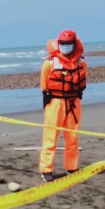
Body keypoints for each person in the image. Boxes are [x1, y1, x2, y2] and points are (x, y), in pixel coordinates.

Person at [39, 30, 87, 182]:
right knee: (50, 137)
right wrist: (47, 99)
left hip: (73, 103)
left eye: (68, 44)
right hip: (55, 103)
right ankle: (46, 169)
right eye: (63, 44)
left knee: (72, 137)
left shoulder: (81, 62)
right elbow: (44, 83)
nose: (65, 46)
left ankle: (72, 167)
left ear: (74, 44)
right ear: (58, 44)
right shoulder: (49, 63)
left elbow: (83, 79)